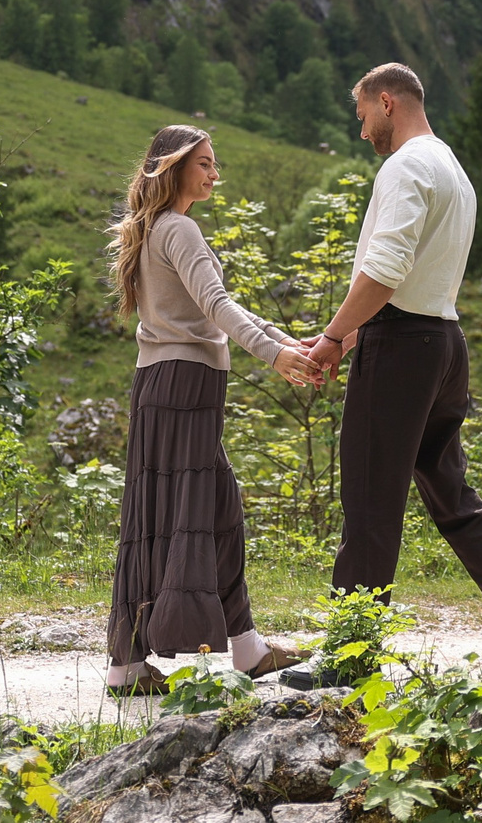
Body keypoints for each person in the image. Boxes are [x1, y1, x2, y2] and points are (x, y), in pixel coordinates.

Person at [302, 62, 482, 662]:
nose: (363, 129)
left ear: (388, 102)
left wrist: (333, 337)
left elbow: (385, 272)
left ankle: (351, 654)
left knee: (371, 497)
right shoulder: (453, 169)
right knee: (451, 492)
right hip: (445, 343)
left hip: (398, 347)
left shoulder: (405, 167)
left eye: (363, 113)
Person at [105, 123, 324, 698]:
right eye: (204, 162)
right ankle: (159, 661)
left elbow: (211, 312)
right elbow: (217, 306)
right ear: (174, 167)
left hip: (161, 384)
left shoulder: (154, 229)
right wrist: (276, 354)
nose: (213, 172)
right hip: (185, 386)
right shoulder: (180, 229)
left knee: (183, 508)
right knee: (192, 510)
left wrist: (283, 339)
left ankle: (237, 647)